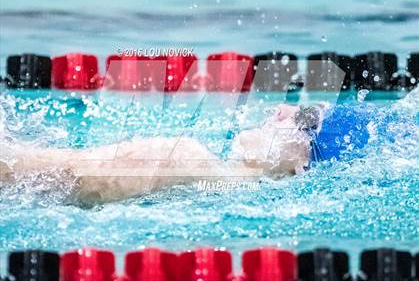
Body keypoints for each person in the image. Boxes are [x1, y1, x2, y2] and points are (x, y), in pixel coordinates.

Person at [0, 101, 374, 205]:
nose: (282, 110)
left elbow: (24, 172)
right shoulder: (225, 192)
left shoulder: (186, 158)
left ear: (303, 166)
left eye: (306, 119)